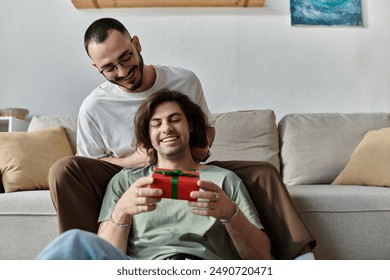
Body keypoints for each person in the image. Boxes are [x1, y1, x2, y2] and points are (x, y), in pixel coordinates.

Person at [48, 17, 315, 260]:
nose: (121, 71)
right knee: (64, 170)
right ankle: (83, 260)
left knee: (262, 172)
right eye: (108, 68)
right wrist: (136, 164)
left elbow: (204, 135)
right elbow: (90, 169)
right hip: (124, 169)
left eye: (126, 57)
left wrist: (192, 156)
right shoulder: (94, 106)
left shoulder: (184, 80)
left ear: (137, 44)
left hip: (187, 162)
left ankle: (300, 260)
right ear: (96, 67)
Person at [38, 90, 271, 260]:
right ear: (148, 136)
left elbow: (263, 260)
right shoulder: (125, 182)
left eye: (174, 119)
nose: (166, 129)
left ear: (190, 125)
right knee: (72, 242)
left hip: (203, 266)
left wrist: (230, 213)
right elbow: (104, 259)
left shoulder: (224, 180)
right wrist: (122, 211)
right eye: (156, 124)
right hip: (141, 270)